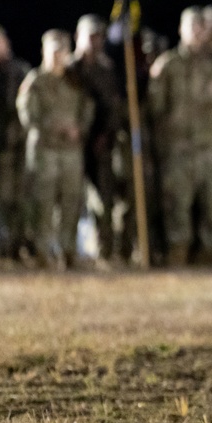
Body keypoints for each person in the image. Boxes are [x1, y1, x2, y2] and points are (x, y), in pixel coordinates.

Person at [147, 7, 212, 266]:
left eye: (202, 28)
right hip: (179, 149)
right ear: (181, 30)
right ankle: (179, 250)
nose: (198, 32)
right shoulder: (168, 65)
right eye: (193, 27)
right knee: (177, 203)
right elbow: (155, 108)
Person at [16, 30, 95, 269]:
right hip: (45, 150)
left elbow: (88, 109)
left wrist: (79, 129)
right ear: (45, 52)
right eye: (54, 51)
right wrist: (54, 127)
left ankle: (68, 250)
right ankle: (42, 251)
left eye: (63, 51)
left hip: (71, 151)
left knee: (72, 201)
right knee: (44, 201)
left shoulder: (76, 81)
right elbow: (28, 116)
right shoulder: (35, 81)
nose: (59, 56)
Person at [72, 14, 123, 264]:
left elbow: (114, 108)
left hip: (100, 144)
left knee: (103, 201)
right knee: (68, 199)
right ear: (78, 37)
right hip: (71, 144)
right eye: (90, 36)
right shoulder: (69, 69)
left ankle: (105, 251)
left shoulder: (107, 71)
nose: (95, 42)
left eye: (99, 37)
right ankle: (67, 252)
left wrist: (108, 134)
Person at [0, 25, 31, 264]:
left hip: (10, 148)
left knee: (11, 200)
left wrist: (17, 138)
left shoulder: (19, 72)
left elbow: (26, 110)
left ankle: (11, 248)